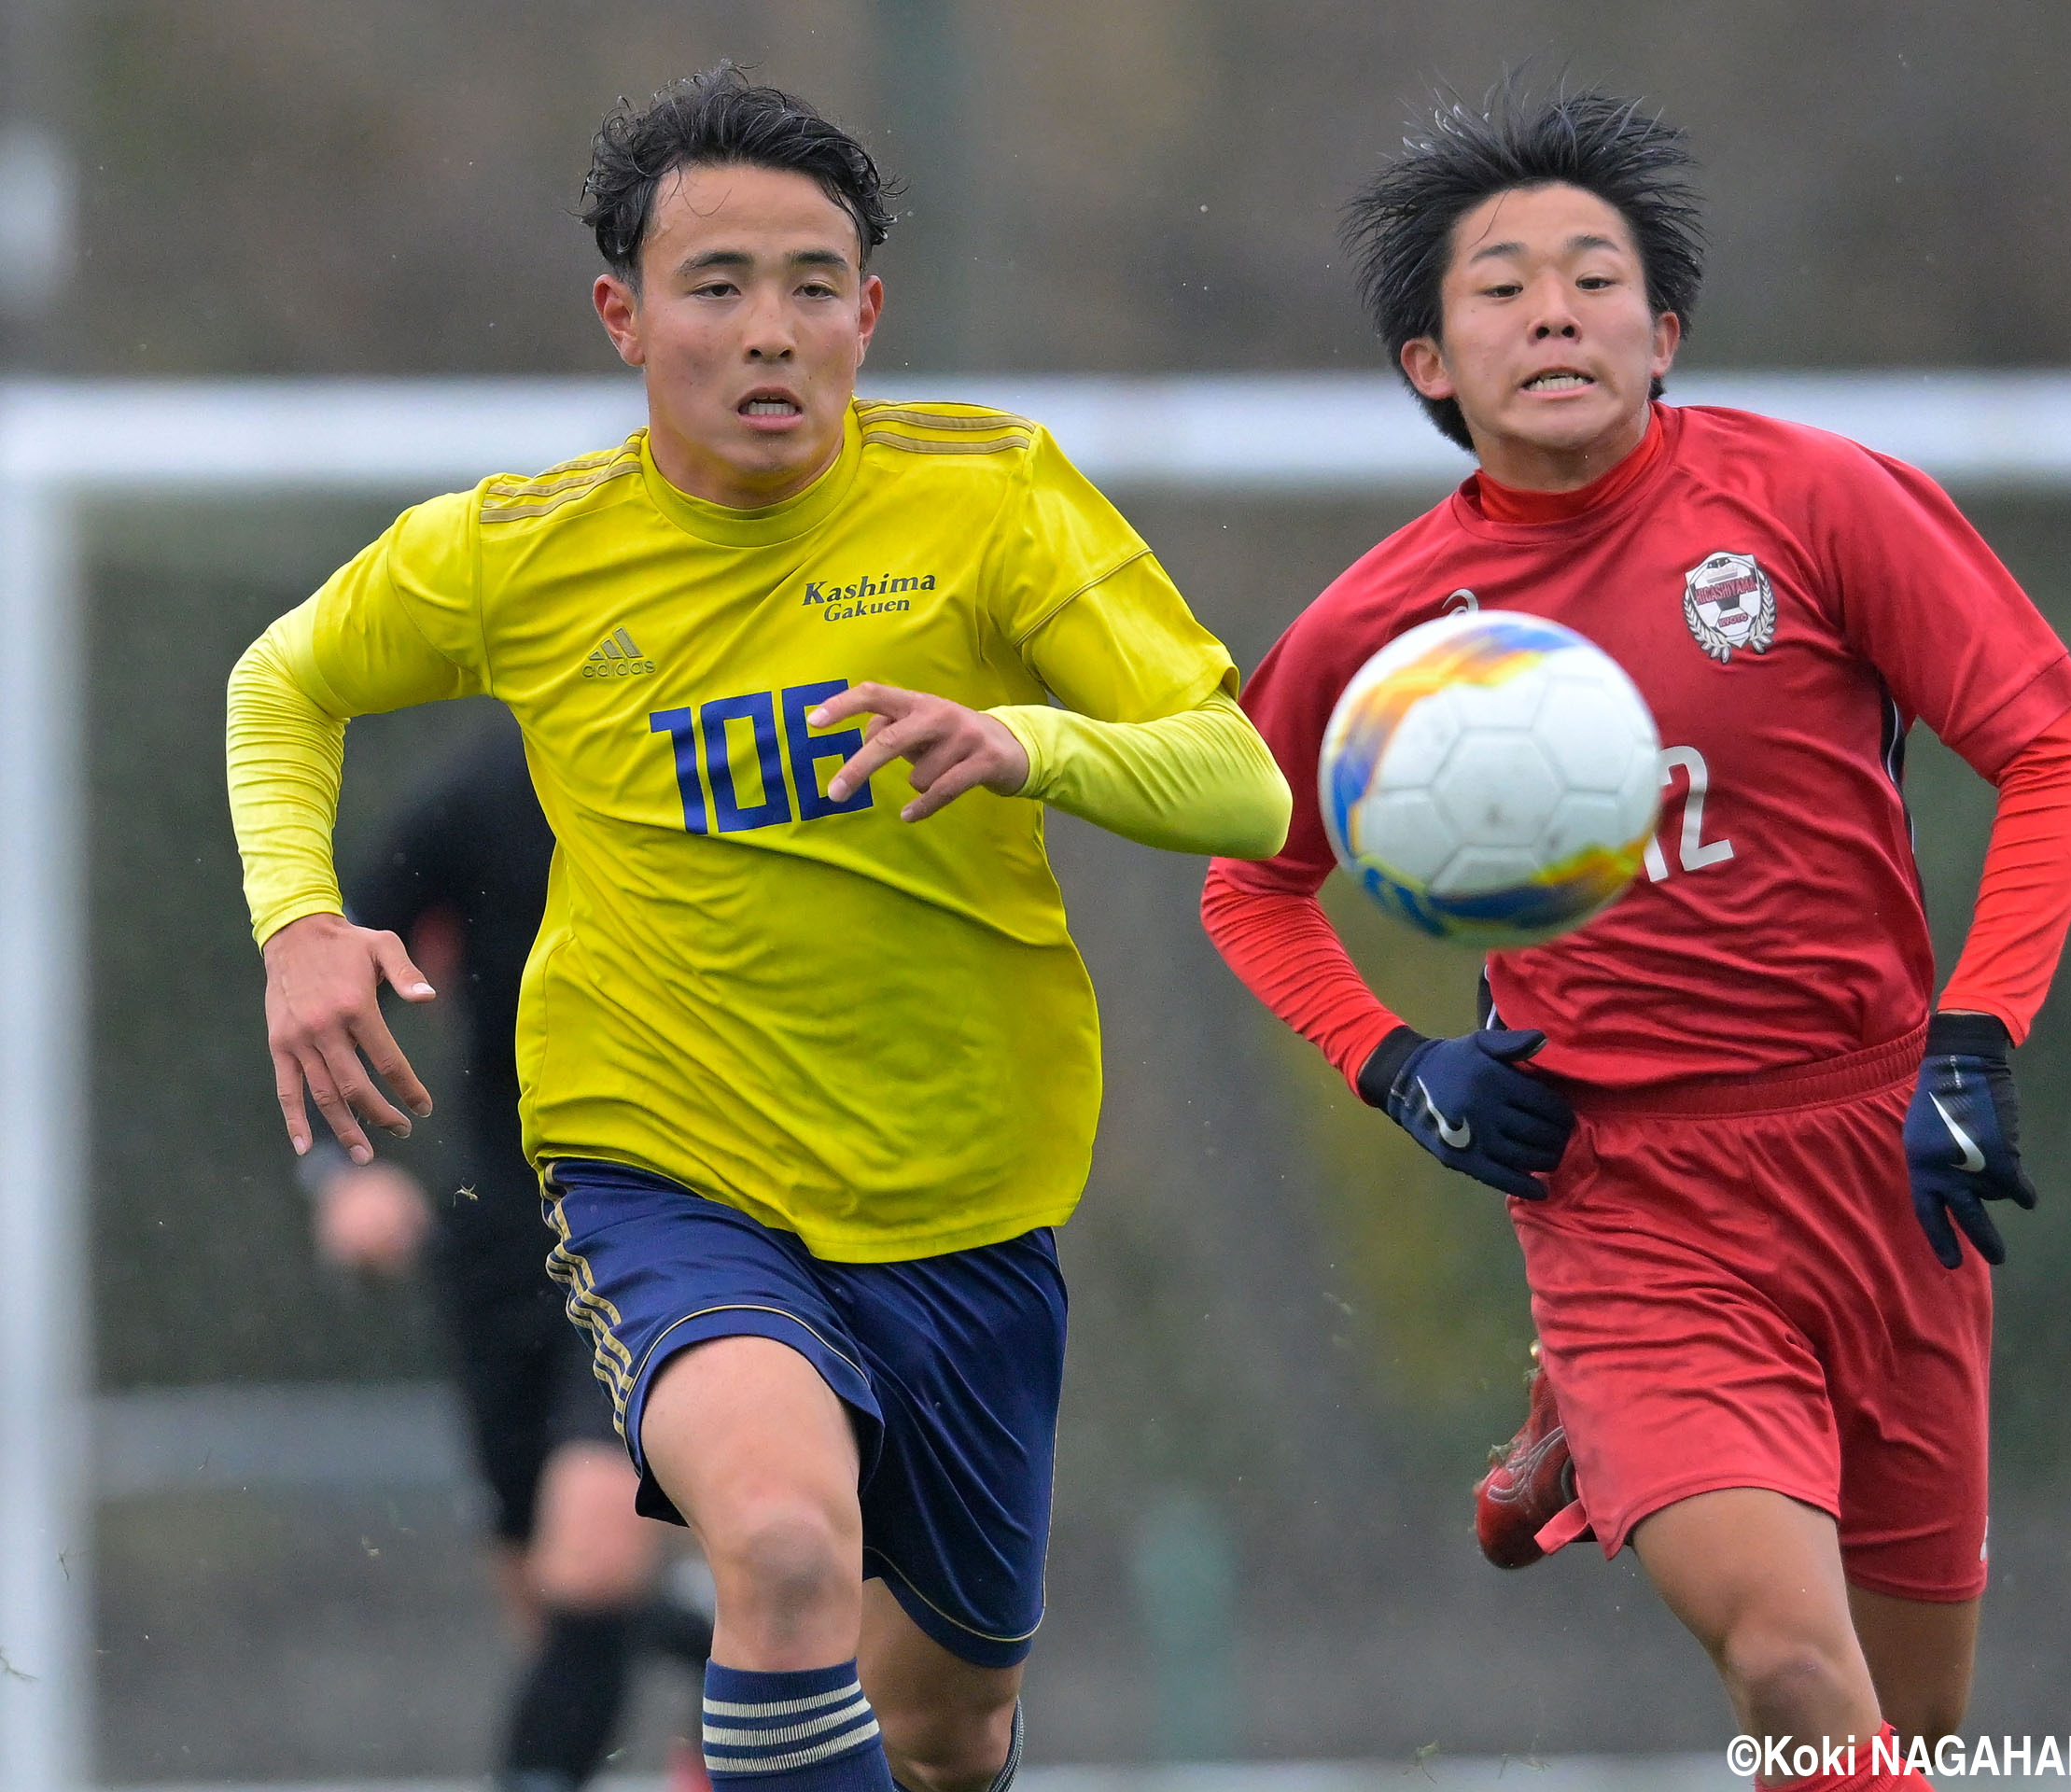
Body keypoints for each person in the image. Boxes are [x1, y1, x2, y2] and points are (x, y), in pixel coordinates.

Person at [226, 64, 1290, 1792]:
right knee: (783, 1550)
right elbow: (284, 680)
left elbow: (1243, 787)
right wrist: (299, 922)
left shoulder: (995, 498)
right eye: (717, 285)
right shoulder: (524, 551)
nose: (771, 328)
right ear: (623, 318)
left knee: (954, 1726)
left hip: (967, 1196)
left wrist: (1030, 742)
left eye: (814, 285)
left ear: (869, 311)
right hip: (665, 1170)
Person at [1202, 84, 2071, 1785]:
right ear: (1427, 362)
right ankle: (1604, 1393)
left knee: (1904, 1737)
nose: (1554, 306)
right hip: (1625, 1198)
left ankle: (1590, 1435)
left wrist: (1974, 1037)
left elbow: (2057, 759)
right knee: (1788, 1668)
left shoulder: (1818, 505)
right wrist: (1404, 1070)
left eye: (1594, 275)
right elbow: (1249, 880)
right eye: (1501, 283)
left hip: (1879, 1163)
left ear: (1664, 330)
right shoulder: (1386, 628)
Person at [300, 717, 711, 1792]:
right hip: (500, 1230)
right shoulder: (473, 796)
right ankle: (759, 1661)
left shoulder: (706, 774)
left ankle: (771, 1677)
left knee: (591, 1555)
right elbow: (323, 996)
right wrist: (344, 1179)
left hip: (660, 1218)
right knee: (551, 1593)